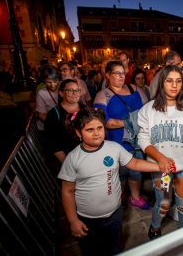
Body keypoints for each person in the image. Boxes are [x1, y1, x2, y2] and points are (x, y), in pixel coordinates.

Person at [59, 108, 161, 256]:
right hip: (88, 220)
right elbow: (67, 191)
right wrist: (73, 220)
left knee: (113, 247)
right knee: (92, 250)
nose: (96, 133)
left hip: (115, 214)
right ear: (78, 133)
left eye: (100, 127)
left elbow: (135, 164)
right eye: (89, 129)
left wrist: (160, 166)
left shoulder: (114, 148)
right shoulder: (73, 158)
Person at [138, 65, 183, 240]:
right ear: (161, 83)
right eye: (169, 81)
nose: (174, 85)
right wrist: (160, 158)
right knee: (164, 203)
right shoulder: (148, 109)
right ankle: (155, 227)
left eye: (178, 81)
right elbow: (143, 140)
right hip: (160, 168)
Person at [93, 61, 150, 210]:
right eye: (117, 73)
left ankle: (135, 197)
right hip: (117, 141)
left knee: (136, 171)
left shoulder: (135, 89)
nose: (121, 76)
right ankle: (120, 196)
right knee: (120, 172)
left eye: (123, 73)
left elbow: (148, 110)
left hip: (138, 140)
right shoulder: (103, 95)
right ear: (107, 75)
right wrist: (130, 122)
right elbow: (101, 121)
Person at [44, 79, 88, 164]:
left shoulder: (85, 108)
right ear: (61, 93)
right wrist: (67, 164)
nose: (75, 93)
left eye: (77, 90)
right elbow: (53, 145)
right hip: (69, 159)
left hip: (87, 156)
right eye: (70, 90)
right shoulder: (54, 114)